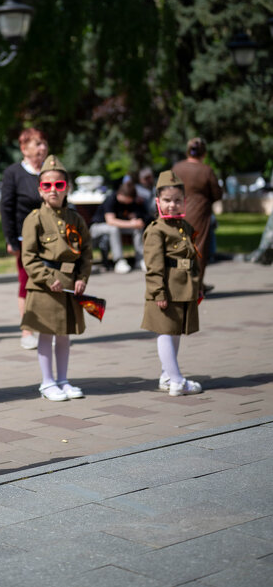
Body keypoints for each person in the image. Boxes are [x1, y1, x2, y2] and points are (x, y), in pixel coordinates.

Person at [21, 155, 92, 401]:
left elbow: (86, 253)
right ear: (40, 190)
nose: (53, 190)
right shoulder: (35, 219)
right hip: (44, 287)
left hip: (70, 285)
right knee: (46, 333)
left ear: (67, 188)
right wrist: (47, 278)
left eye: (59, 185)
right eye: (47, 185)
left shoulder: (76, 219)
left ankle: (63, 380)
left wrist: (82, 277)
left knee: (64, 334)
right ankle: (47, 382)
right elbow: (29, 257)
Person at [140, 170, 203, 396]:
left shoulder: (184, 227)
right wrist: (158, 292)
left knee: (174, 332)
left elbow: (192, 258)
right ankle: (177, 381)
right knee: (165, 332)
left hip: (183, 288)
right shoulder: (156, 230)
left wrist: (198, 286)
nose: (172, 205)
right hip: (166, 289)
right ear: (158, 201)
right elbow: (154, 265)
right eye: (167, 200)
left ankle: (167, 376)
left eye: (177, 200)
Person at [0, 127, 48, 349]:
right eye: (37, 143)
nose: (42, 148)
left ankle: (48, 328)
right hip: (24, 239)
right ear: (24, 148)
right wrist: (11, 240)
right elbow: (6, 208)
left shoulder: (50, 171)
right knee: (27, 283)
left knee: (50, 282)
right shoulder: (14, 173)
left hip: (51, 239)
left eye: (44, 143)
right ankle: (27, 331)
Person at [173, 137, 222, 291]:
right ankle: (196, 285)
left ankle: (183, 283)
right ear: (204, 153)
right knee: (198, 249)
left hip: (177, 211)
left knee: (181, 248)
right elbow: (217, 194)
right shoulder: (206, 170)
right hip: (199, 213)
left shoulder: (177, 168)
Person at [89, 181, 146, 273]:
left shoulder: (130, 202)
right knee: (114, 229)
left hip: (118, 227)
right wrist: (131, 223)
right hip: (98, 227)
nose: (130, 201)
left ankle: (140, 259)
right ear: (121, 195)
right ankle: (119, 261)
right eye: (129, 199)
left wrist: (135, 221)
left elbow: (133, 215)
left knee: (137, 228)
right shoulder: (111, 199)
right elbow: (111, 221)